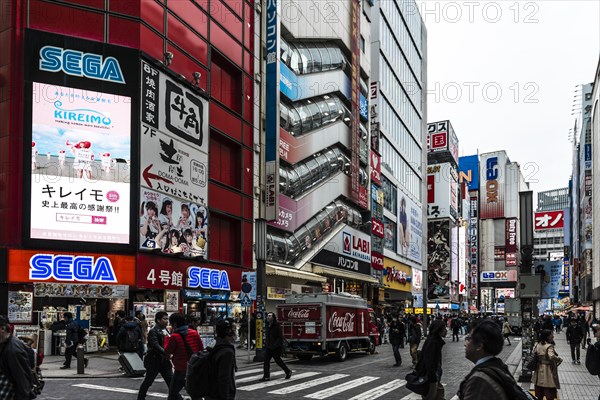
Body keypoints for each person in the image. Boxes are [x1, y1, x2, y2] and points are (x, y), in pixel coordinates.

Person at [457, 320, 512, 399]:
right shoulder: (499, 367)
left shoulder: (479, 380)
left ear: (479, 346)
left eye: (468, 339)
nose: (465, 344)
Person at [165, 312, 203, 400]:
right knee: (195, 393)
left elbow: (168, 351)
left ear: (174, 324)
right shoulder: (194, 332)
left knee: (173, 393)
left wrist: (166, 338)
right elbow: (201, 348)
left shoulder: (175, 336)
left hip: (180, 369)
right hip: (194, 367)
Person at [138, 312, 173, 400]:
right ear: (158, 320)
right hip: (154, 360)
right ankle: (140, 398)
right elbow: (155, 345)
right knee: (148, 381)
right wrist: (166, 352)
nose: (166, 321)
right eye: (164, 319)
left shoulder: (165, 329)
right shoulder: (154, 331)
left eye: (167, 319)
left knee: (171, 382)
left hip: (164, 361)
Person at [0, 316, 33, 400]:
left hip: (8, 392)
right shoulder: (4, 343)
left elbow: (22, 380)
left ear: (2, 329)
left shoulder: (13, 351)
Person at [204, 320, 237, 400]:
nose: (235, 331)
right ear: (229, 331)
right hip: (218, 394)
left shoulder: (214, 344)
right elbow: (224, 378)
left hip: (210, 391)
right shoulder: (227, 352)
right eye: (234, 329)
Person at [415, 319, 446, 400]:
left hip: (432, 376)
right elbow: (429, 361)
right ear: (439, 330)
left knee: (437, 394)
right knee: (432, 396)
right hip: (430, 377)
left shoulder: (433, 340)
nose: (446, 331)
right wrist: (433, 378)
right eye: (444, 328)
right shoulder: (433, 342)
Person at [259, 312, 292, 381]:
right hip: (269, 346)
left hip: (276, 347)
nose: (268, 317)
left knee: (278, 361)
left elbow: (280, 337)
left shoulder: (277, 326)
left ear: (273, 317)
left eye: (270, 316)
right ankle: (266, 376)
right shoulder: (267, 325)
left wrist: (275, 345)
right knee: (266, 361)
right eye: (268, 316)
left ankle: (288, 371)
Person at [532, 329, 562, 400]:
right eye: (551, 335)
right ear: (547, 337)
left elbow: (534, 352)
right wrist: (559, 359)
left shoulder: (537, 344)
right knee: (549, 387)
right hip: (548, 370)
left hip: (538, 369)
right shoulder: (549, 346)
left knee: (539, 390)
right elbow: (551, 356)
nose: (553, 336)